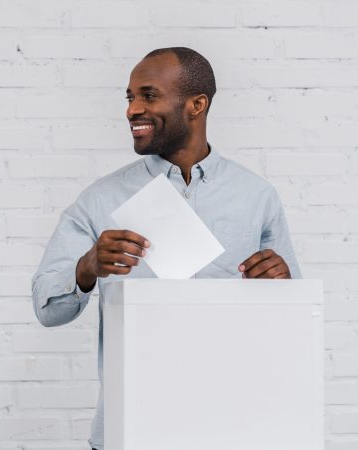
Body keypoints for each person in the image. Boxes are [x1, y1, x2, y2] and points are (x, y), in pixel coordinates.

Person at [31, 47, 299, 450]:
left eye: (148, 96)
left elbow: (290, 322)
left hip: (233, 428)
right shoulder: (100, 200)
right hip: (130, 431)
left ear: (197, 104)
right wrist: (85, 269)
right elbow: (47, 310)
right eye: (129, 97)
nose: (132, 110)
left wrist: (283, 285)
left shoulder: (256, 197)